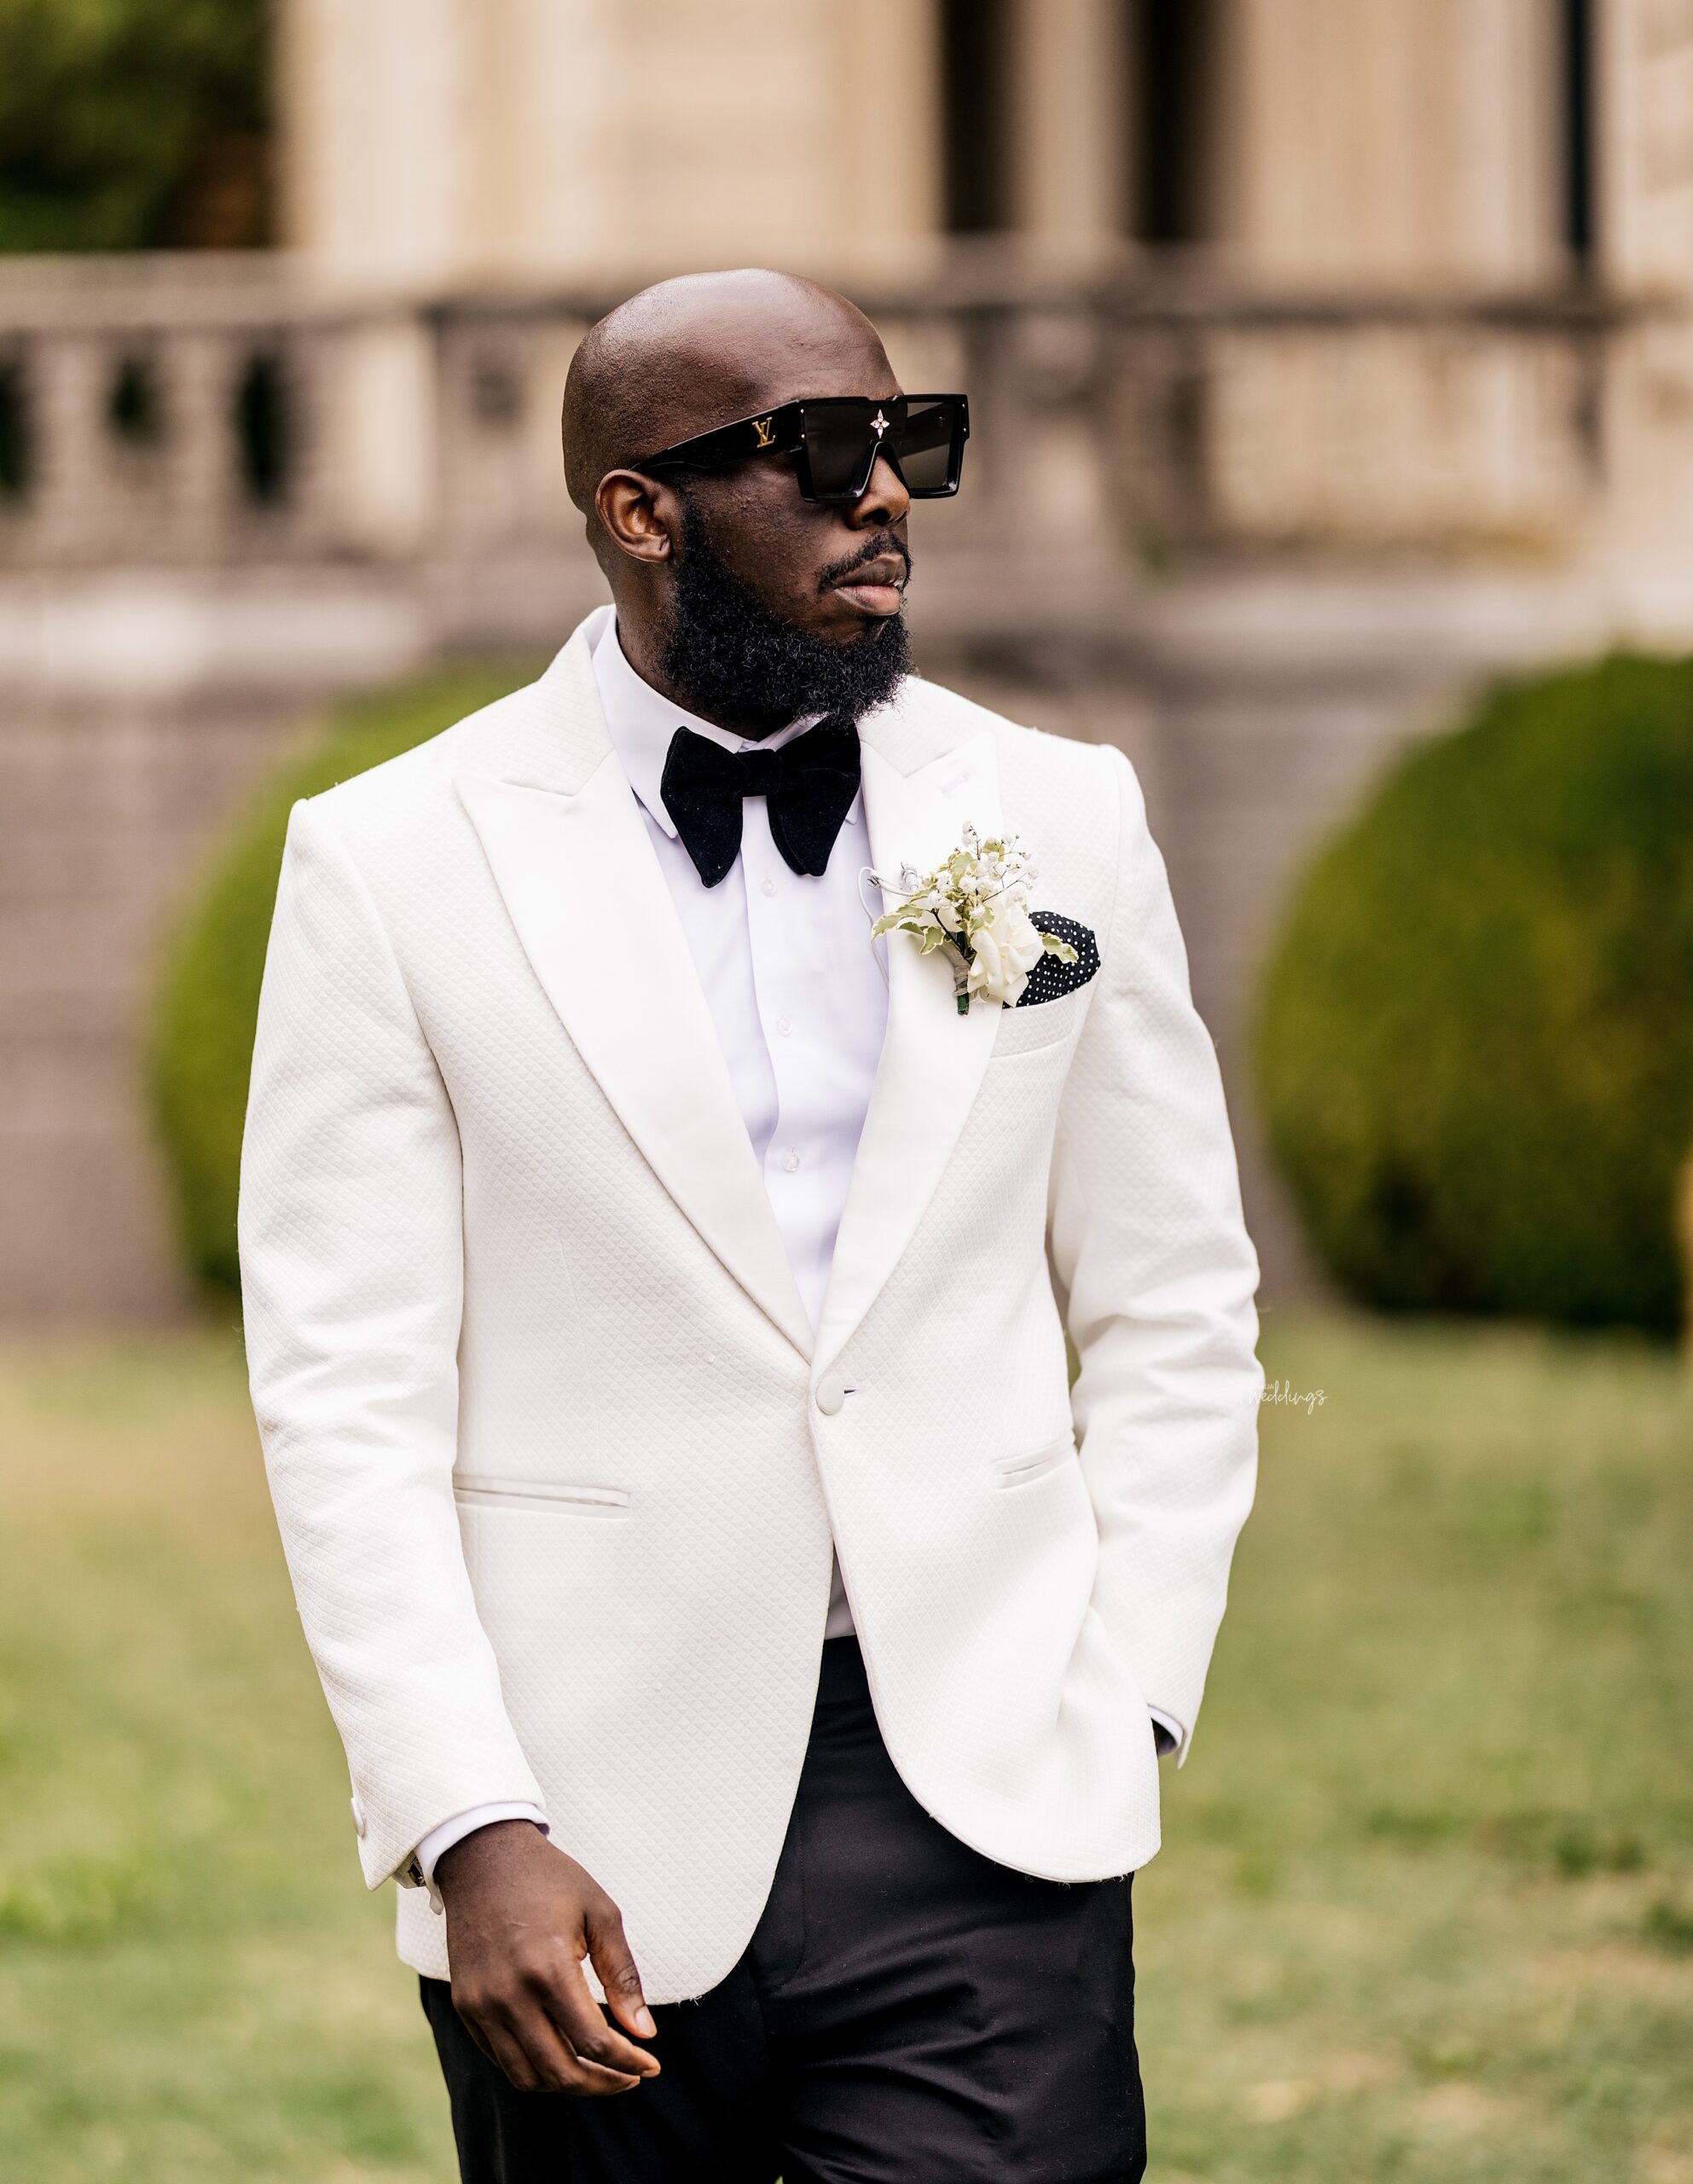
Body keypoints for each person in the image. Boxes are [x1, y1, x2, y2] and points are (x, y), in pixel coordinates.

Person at [239, 268, 1263, 2184]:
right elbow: (343, 1400)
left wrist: (1124, 1688)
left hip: (978, 1787)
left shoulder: (1054, 815)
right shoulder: (388, 864)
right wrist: (470, 1818)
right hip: (583, 1828)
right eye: (821, 453)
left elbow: (1171, 1290)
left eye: (909, 444)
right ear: (640, 508)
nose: (886, 495)